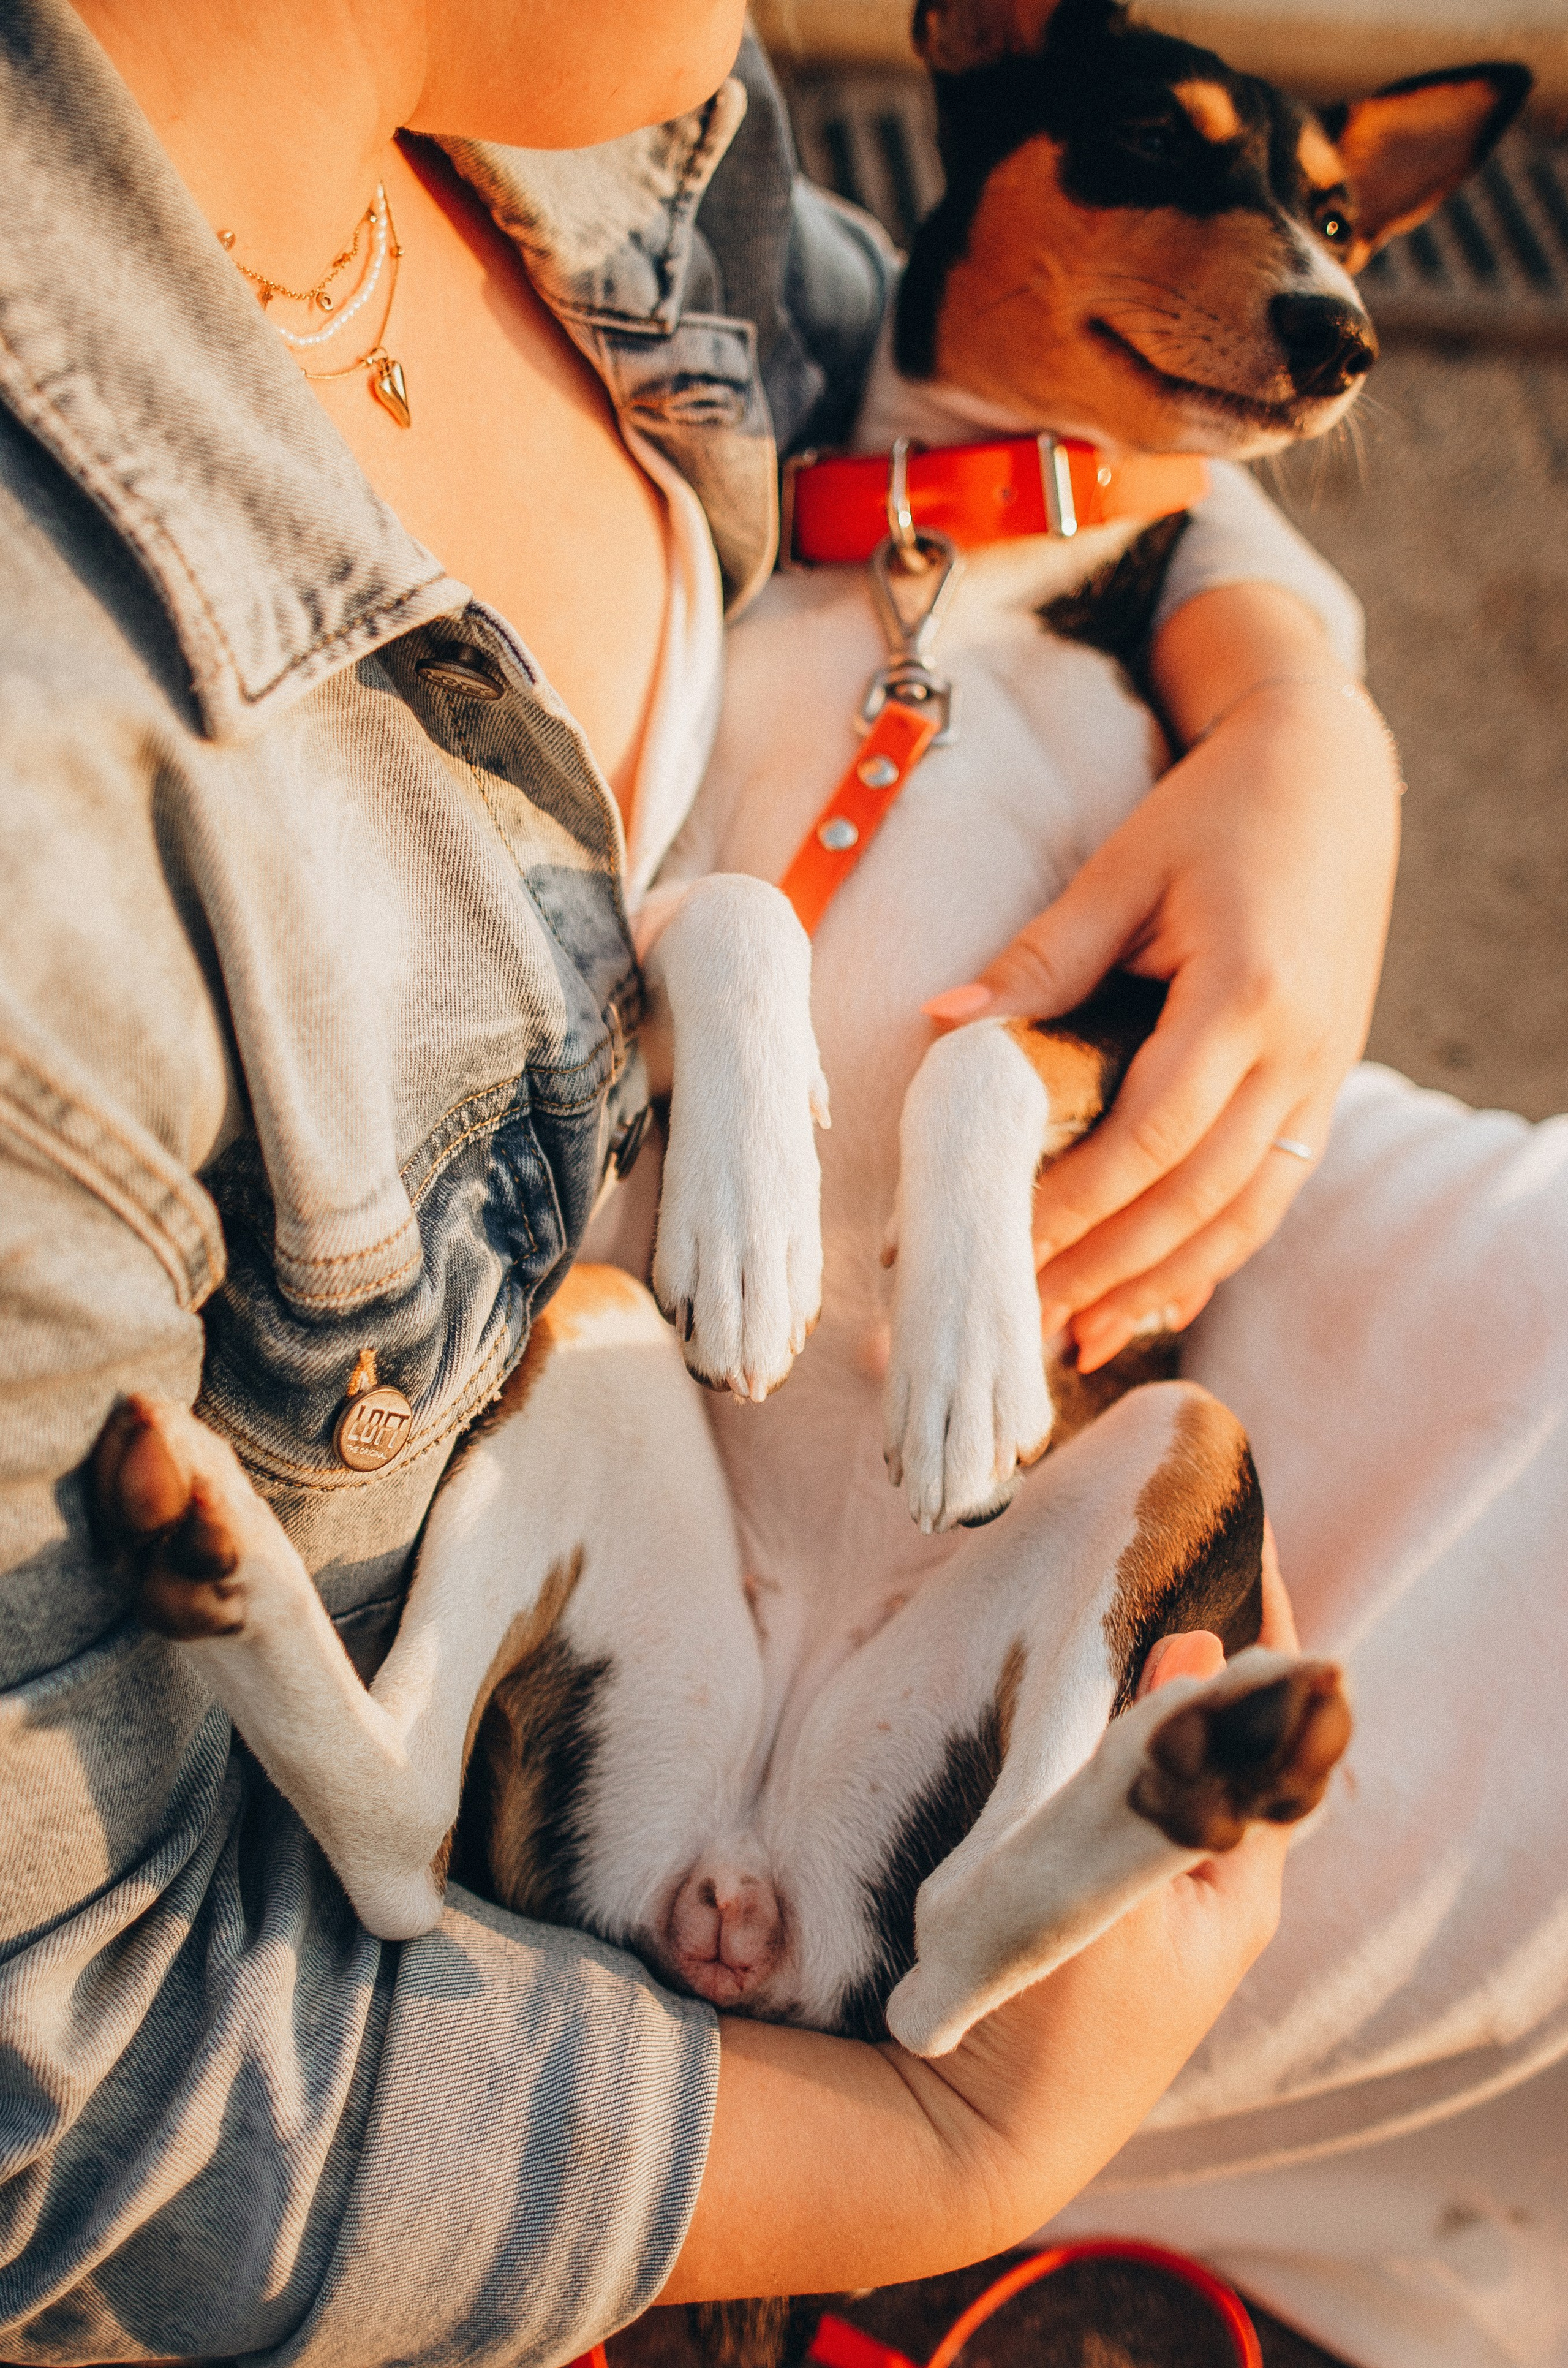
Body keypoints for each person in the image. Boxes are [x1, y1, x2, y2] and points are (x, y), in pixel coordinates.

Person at [0, 0, 1441, 2358]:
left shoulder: (628, 124)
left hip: (1039, 1331)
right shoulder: (58, 811)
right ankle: (1036, 1894)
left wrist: (1292, 691)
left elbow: (912, 337)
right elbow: (89, 2107)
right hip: (663, 1697)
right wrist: (945, 2166)